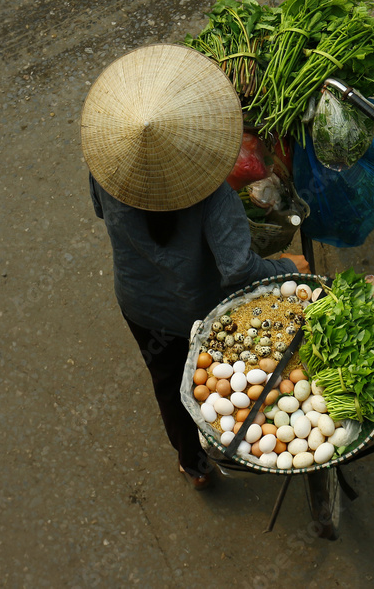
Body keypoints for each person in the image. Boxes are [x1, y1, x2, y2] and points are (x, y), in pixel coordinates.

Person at [82, 44, 310, 490]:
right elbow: (239, 271)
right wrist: (285, 264)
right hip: (203, 312)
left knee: (168, 383)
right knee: (224, 379)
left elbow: (99, 211)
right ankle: (232, 442)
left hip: (139, 304)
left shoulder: (108, 171)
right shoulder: (214, 198)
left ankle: (193, 464)